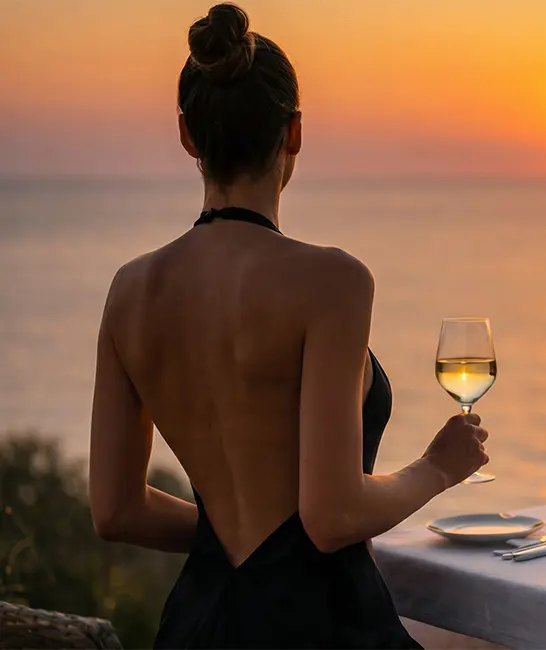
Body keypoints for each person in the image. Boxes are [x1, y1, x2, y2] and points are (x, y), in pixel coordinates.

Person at [86, 4, 489, 647]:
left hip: (198, 626)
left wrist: (231, 531)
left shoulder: (129, 291)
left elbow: (116, 510)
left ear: (188, 136)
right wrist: (437, 468)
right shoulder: (331, 280)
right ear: (294, 132)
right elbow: (332, 517)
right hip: (321, 626)